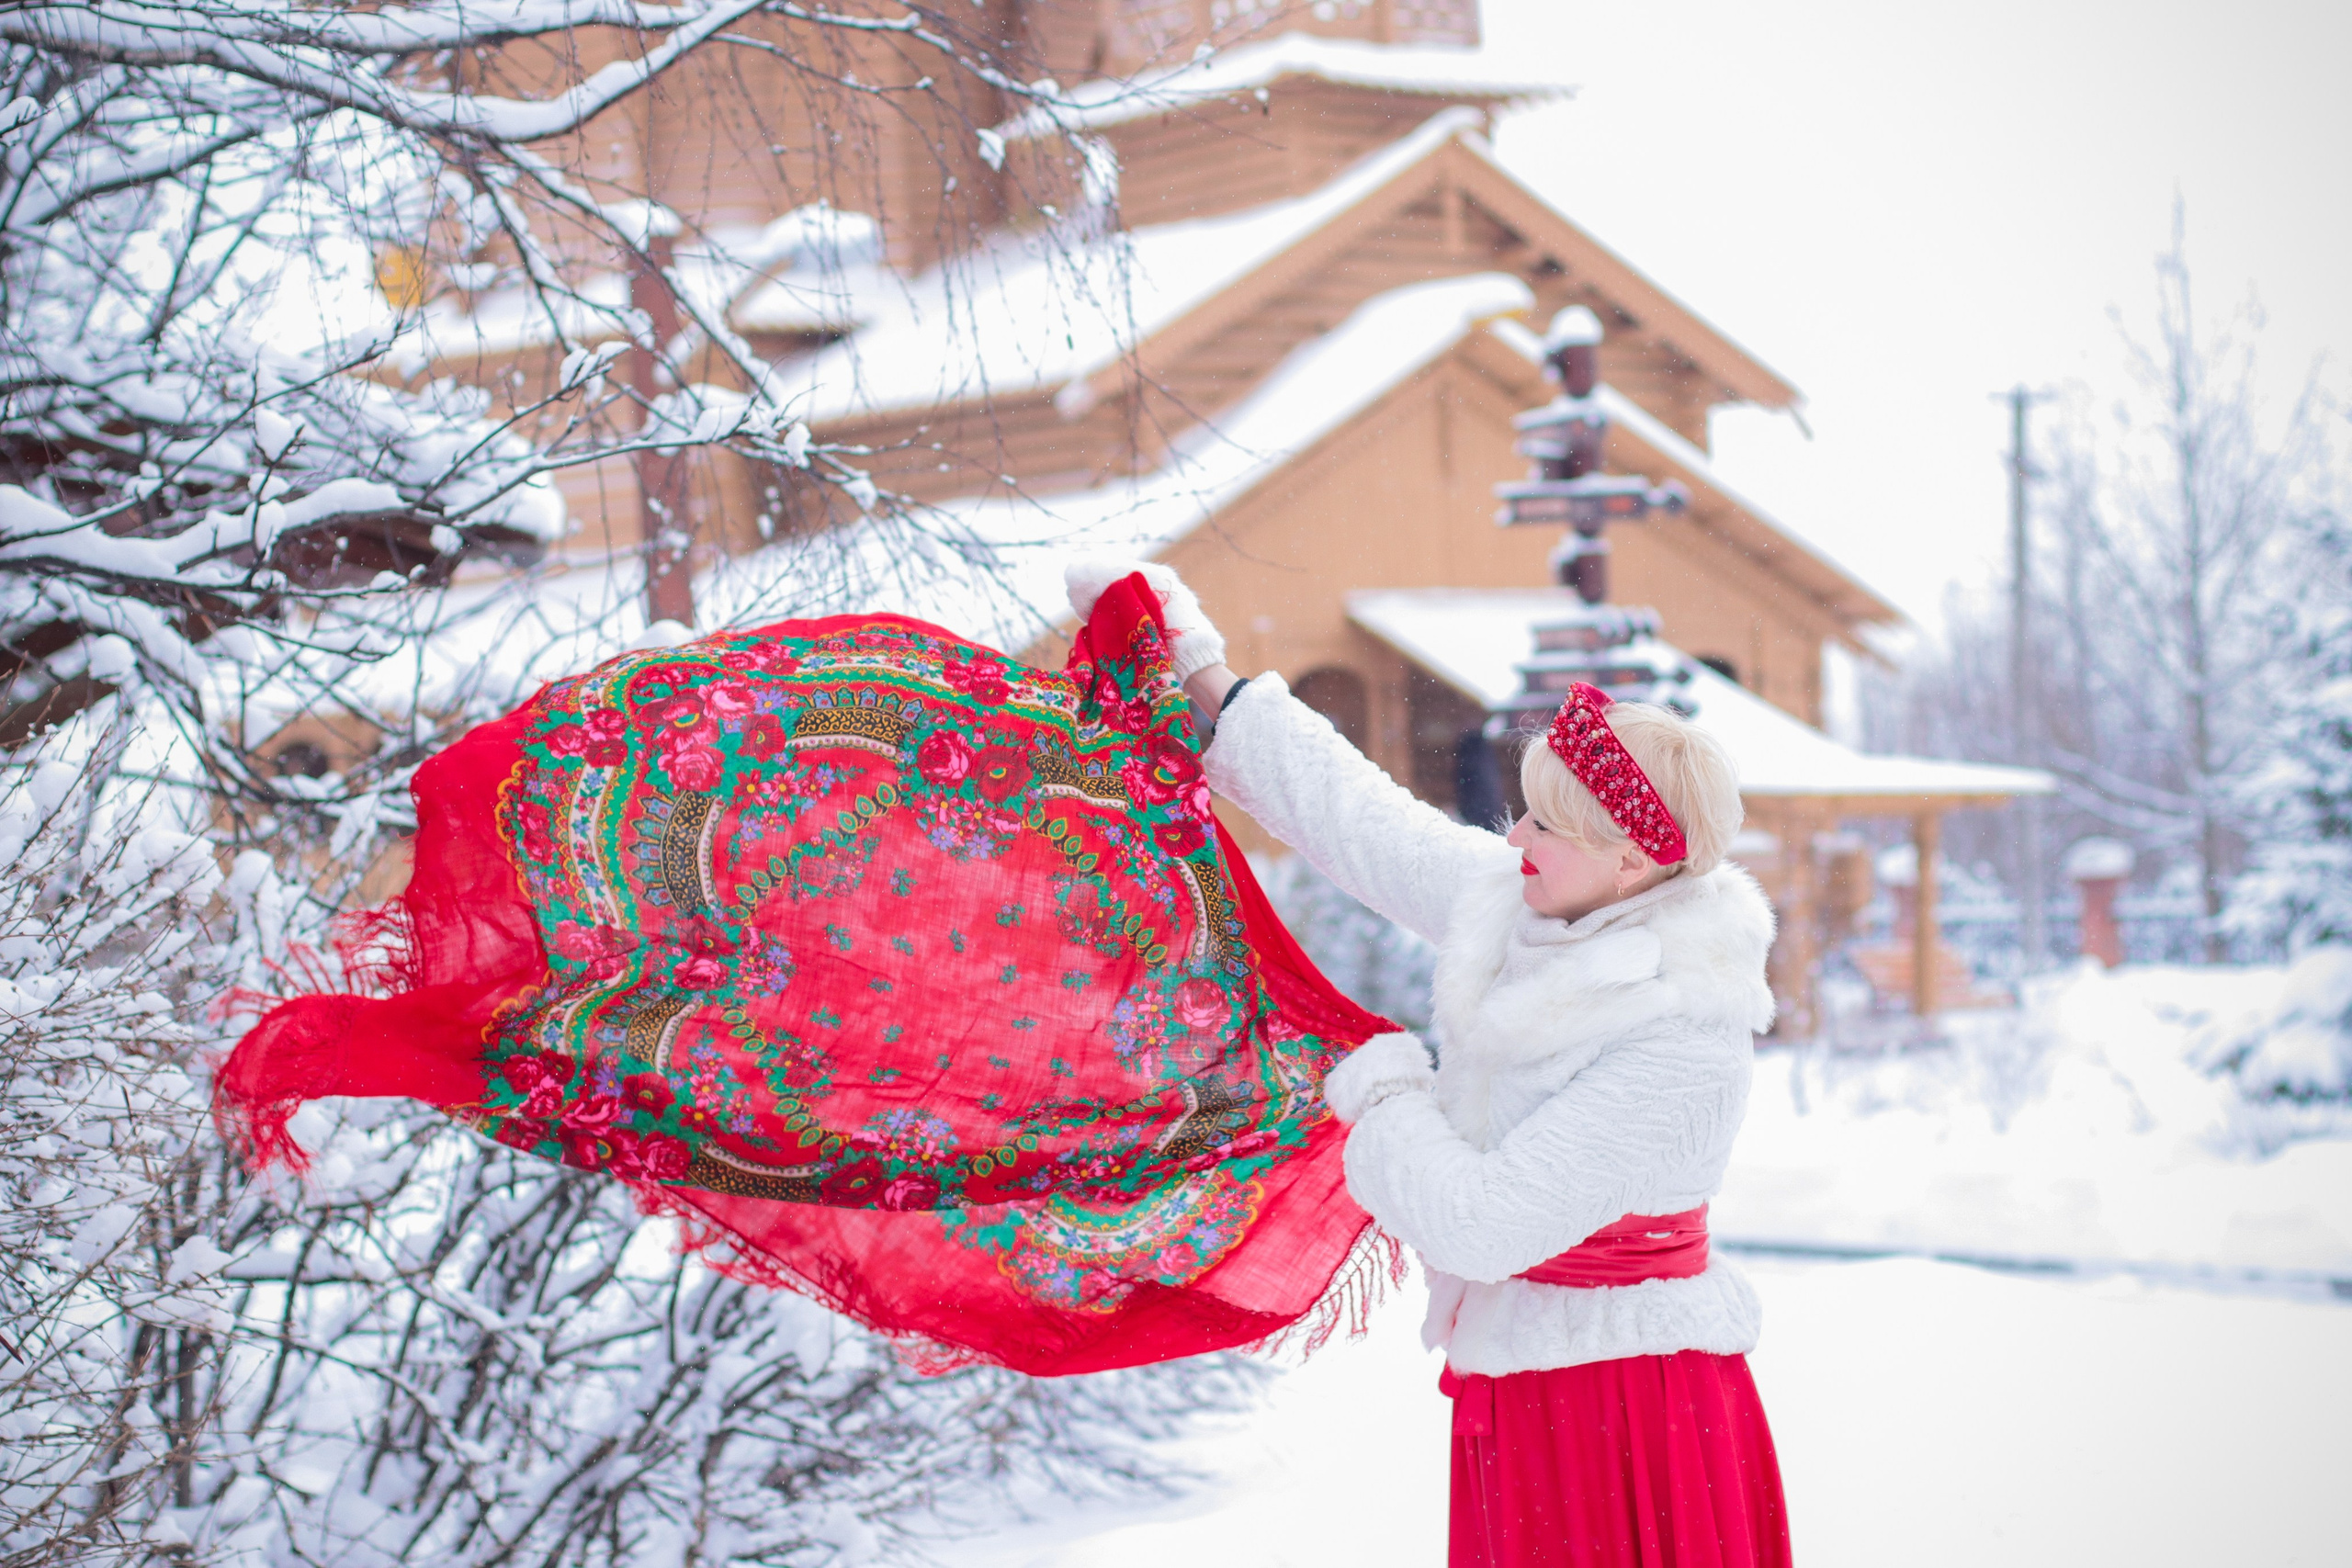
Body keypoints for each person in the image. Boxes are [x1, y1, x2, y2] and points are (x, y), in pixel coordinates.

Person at [1067, 560, 1792, 1568]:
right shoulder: (1526, 899)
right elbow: (1360, 822)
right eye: (1528, 808)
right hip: (1528, 1378)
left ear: (1633, 864)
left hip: (1629, 1402)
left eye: (1548, 823)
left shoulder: (1686, 1038)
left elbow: (1485, 1224)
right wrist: (1201, 677)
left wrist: (1385, 1088)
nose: (1518, 832)